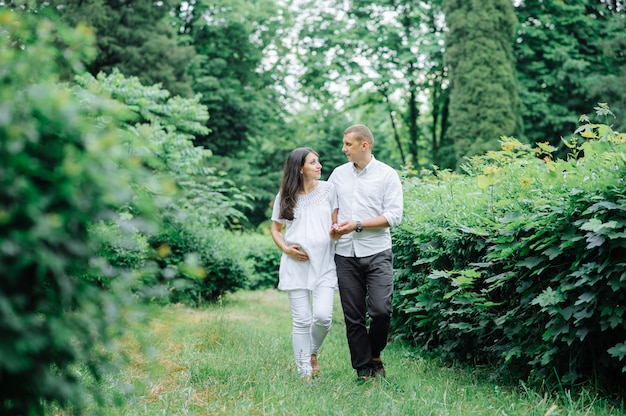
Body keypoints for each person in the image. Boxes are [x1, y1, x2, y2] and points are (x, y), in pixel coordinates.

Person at [329, 124, 403, 380]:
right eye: (344, 143)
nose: (343, 149)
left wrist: (357, 225)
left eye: (348, 144)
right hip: (345, 254)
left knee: (381, 310)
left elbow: (394, 216)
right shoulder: (337, 174)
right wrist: (335, 226)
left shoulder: (387, 175)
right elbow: (332, 207)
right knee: (353, 316)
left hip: (377, 251)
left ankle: (374, 353)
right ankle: (364, 370)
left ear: (365, 145)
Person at [270, 147, 339, 380]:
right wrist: (286, 248)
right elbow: (276, 229)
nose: (319, 166)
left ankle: (312, 352)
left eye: (318, 161)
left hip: (325, 264)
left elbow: (335, 221)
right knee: (301, 321)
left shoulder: (329, 190)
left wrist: (337, 231)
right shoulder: (285, 196)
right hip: (295, 265)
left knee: (323, 317)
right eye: (313, 162)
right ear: (300, 169)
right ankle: (304, 374)